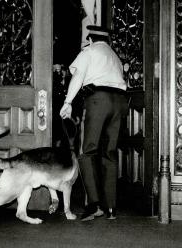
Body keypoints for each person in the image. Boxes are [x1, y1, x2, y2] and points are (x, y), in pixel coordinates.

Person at [59, 25, 128, 221]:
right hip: (120, 102)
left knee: (86, 151)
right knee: (110, 154)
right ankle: (111, 209)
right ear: (108, 41)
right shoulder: (115, 56)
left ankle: (94, 205)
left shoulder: (89, 51)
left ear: (90, 40)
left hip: (99, 101)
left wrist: (67, 102)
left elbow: (78, 76)